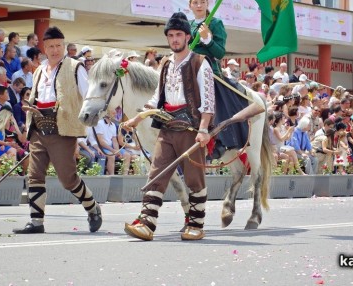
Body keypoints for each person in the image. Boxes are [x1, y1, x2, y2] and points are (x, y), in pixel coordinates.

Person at [122, 12, 214, 241]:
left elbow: (208, 102)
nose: (174, 39)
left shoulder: (200, 63)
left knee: (194, 178)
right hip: (166, 127)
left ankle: (196, 225)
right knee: (156, 173)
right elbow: (157, 97)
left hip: (191, 129)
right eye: (171, 35)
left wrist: (203, 129)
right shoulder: (165, 64)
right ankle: (146, 224)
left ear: (187, 36)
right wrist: (138, 118)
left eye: (179, 35)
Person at [13, 26, 102, 235]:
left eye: (59, 46)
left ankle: (93, 208)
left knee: (67, 178)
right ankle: (36, 222)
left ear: (64, 45)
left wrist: (88, 126)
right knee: (34, 175)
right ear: (44, 47)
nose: (55, 50)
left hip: (62, 129)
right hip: (38, 128)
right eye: (51, 46)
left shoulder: (75, 67)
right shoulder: (39, 69)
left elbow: (87, 96)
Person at [186, 0, 250, 159]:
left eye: (202, 2)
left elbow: (220, 53)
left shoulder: (215, 23)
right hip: (188, 69)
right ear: (190, 5)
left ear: (208, 4)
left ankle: (219, 140)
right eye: (195, 2)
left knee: (214, 99)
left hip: (208, 69)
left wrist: (207, 39)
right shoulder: (187, 26)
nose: (199, 5)